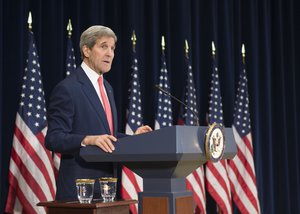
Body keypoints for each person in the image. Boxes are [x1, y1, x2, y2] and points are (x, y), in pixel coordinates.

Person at [45, 25, 152, 201]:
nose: (110, 53)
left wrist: (134, 139)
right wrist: (87, 139)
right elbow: (54, 138)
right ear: (86, 50)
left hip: (107, 190)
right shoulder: (67, 88)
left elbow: (106, 135)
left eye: (112, 48)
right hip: (79, 193)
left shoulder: (107, 88)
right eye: (103, 46)